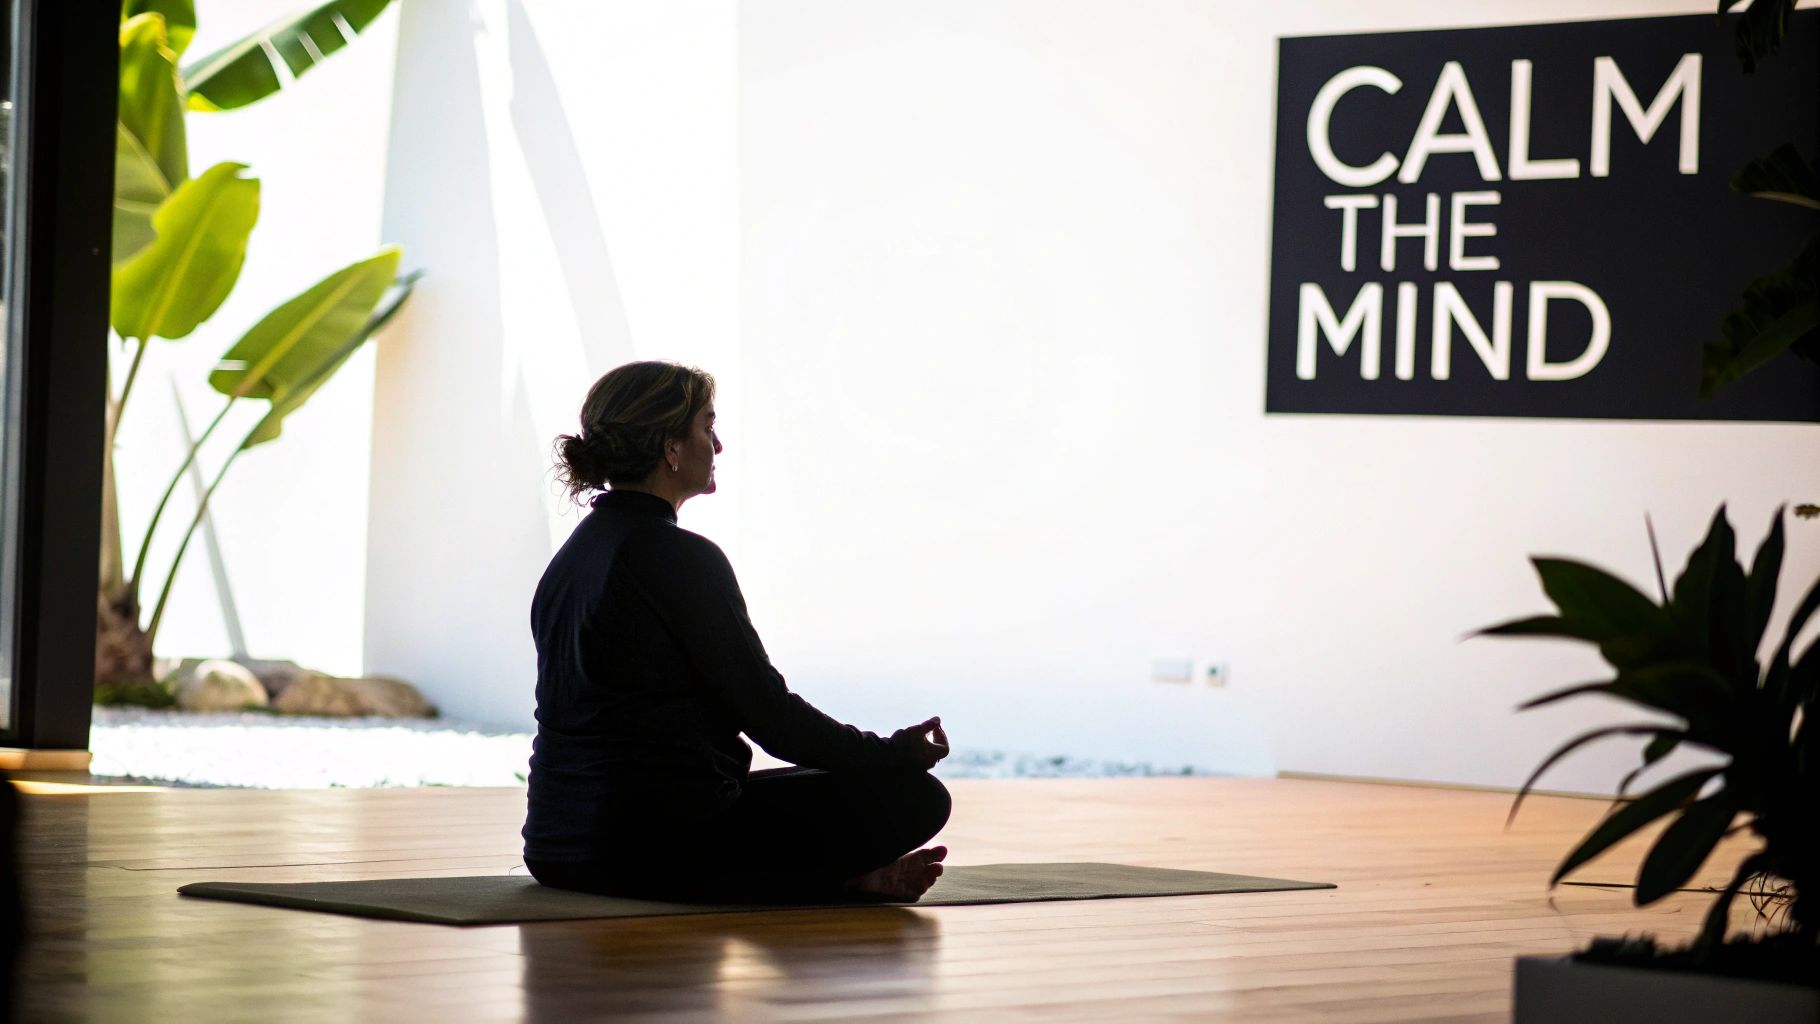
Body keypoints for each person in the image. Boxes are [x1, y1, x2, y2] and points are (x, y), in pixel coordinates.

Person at [522, 361, 954, 904]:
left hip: (556, 847)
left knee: (770, 792)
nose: (718, 444)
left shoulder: (572, 559)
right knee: (915, 798)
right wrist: (891, 754)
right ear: (670, 448)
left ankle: (838, 878)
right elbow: (772, 719)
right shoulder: (679, 557)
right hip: (645, 850)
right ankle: (834, 880)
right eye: (707, 426)